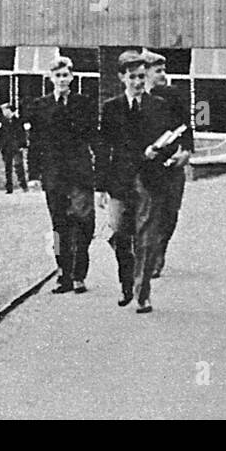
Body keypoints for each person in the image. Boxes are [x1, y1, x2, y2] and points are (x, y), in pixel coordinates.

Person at [96, 50, 178, 314]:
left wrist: (158, 152)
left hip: (150, 180)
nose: (138, 82)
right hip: (120, 180)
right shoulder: (111, 108)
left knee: (146, 238)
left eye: (142, 77)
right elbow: (103, 148)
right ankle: (127, 283)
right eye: (132, 77)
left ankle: (143, 294)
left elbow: (171, 140)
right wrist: (100, 187)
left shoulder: (158, 106)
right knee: (119, 231)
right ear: (122, 77)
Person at [24, 57, 97, 294]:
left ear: (72, 77)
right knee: (58, 226)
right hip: (53, 175)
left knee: (84, 222)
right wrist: (33, 174)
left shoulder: (84, 103)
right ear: (51, 78)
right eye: (58, 76)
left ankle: (79, 274)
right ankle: (63, 272)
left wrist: (101, 171)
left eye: (66, 75)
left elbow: (94, 138)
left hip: (79, 174)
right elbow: (35, 143)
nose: (62, 80)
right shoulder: (40, 105)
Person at [140, 50, 193, 277]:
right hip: (145, 165)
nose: (163, 75)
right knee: (147, 210)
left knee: (169, 211)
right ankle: (146, 253)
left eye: (164, 70)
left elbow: (186, 127)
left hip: (171, 164)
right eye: (158, 71)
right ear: (145, 72)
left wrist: (187, 151)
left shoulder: (173, 95)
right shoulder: (136, 96)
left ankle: (160, 249)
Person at [0, 103, 29, 194]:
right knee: (7, 168)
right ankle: (9, 188)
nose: (3, 113)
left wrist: (22, 145)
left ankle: (23, 185)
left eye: (4, 110)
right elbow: (1, 136)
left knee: (19, 166)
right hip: (6, 148)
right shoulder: (4, 123)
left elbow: (22, 135)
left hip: (16, 147)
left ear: (9, 110)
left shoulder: (18, 121)